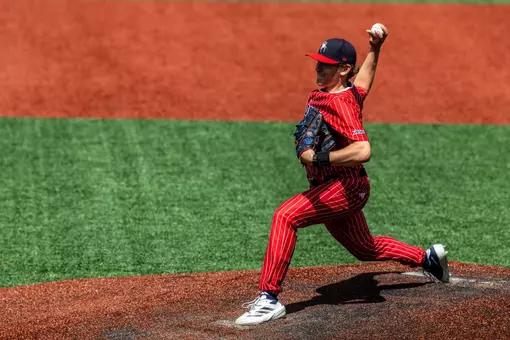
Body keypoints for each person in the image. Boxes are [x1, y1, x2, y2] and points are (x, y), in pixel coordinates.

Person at [235, 24, 449, 326]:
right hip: (335, 185)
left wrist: (320, 157)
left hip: (344, 186)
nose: (319, 68)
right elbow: (362, 84)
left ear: (344, 68)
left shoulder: (340, 103)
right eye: (318, 63)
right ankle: (428, 258)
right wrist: (375, 48)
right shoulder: (341, 93)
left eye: (327, 66)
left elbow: (363, 151)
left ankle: (268, 299)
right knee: (365, 248)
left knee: (286, 216)